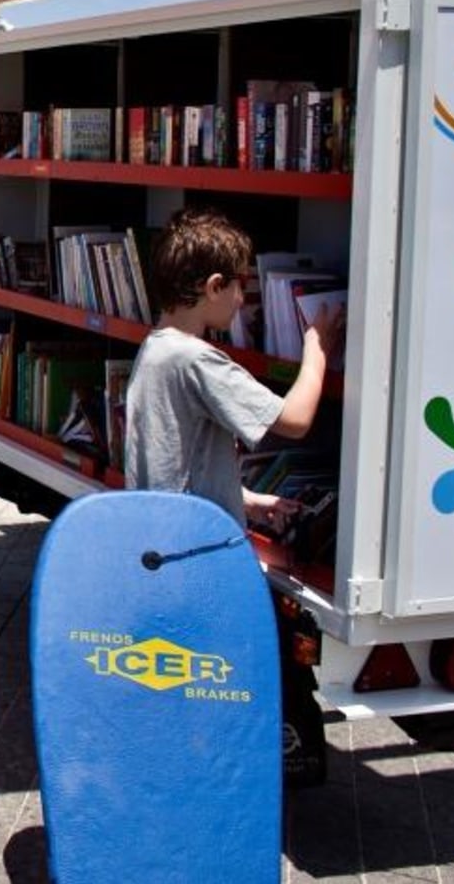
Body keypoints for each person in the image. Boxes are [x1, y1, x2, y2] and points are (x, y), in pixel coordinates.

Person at [124, 205, 344, 786]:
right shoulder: (198, 359)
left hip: (161, 551)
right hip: (199, 560)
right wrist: (318, 346)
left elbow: (173, 460)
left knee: (177, 682)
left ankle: (174, 772)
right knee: (213, 679)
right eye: (240, 289)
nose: (244, 303)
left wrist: (246, 498)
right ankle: (207, 783)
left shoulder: (156, 350)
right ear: (214, 287)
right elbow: (294, 421)